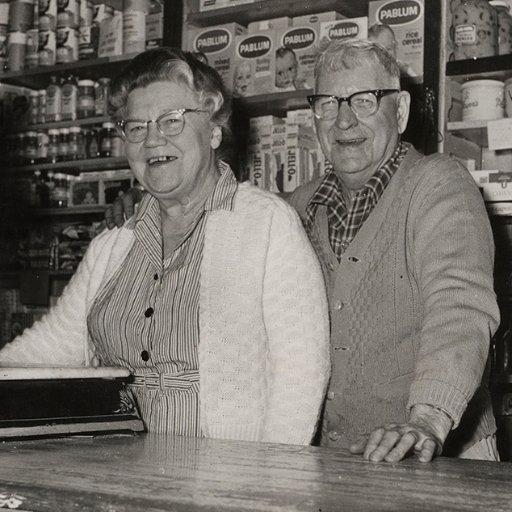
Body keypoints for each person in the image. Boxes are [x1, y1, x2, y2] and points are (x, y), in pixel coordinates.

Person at [105, 39, 500, 463]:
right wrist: (154, 204)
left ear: (400, 111)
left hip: (438, 453)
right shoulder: (296, 207)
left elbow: (458, 305)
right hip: (337, 462)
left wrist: (428, 419)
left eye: (364, 101)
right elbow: (216, 211)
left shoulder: (439, 184)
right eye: (328, 103)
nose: (344, 120)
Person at [0, 47, 330, 445]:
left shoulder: (267, 223)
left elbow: (301, 369)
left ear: (212, 129)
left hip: (221, 483)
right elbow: (53, 346)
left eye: (171, 121)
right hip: (110, 472)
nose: (152, 140)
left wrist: (269, 482)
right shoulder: (114, 241)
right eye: (136, 127)